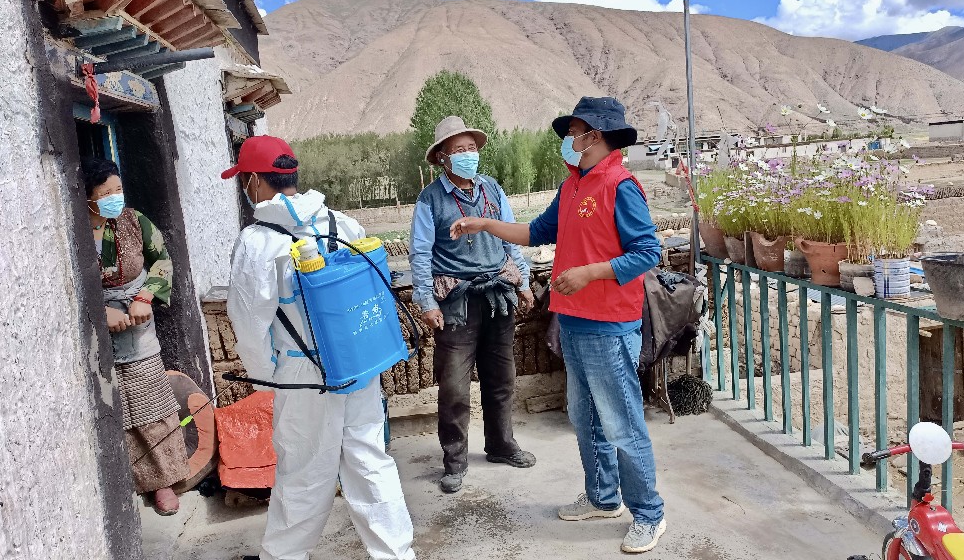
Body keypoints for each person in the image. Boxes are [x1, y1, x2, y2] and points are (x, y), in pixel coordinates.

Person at [450, 97, 666, 554]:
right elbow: (535, 232)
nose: (568, 139)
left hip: (610, 325)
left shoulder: (620, 185)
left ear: (596, 136)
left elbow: (648, 252)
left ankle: (649, 513)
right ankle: (603, 498)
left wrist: (590, 273)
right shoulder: (572, 186)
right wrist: (485, 224)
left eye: (574, 131)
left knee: (622, 424)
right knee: (585, 418)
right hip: (573, 321)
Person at [224, 136, 415, 560]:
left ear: (254, 180)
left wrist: (266, 379)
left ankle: (284, 557)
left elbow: (249, 321)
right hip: (356, 363)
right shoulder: (340, 223)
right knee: (370, 460)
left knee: (304, 470)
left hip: (302, 373)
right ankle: (397, 554)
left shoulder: (257, 242)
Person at [409, 116, 537, 494]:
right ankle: (454, 461)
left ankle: (501, 445)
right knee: (453, 387)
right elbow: (420, 254)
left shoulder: (492, 189)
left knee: (502, 378)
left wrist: (523, 281)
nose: (468, 155)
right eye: (459, 150)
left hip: (498, 295)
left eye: (471, 148)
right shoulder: (430, 199)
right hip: (456, 302)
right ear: (443, 157)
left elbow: (510, 239)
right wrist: (426, 301)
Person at [82, 157, 188, 516]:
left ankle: (164, 481)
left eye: (118, 189)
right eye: (105, 194)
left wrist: (145, 296)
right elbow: (67, 285)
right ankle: (131, 482)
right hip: (98, 331)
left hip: (138, 322)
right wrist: (100, 312)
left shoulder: (134, 221)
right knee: (114, 405)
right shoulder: (74, 231)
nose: (115, 197)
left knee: (149, 398)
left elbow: (162, 260)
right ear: (87, 198)